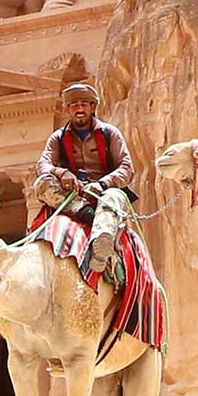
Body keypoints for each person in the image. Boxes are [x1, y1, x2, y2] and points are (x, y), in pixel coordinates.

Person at [35, 81, 135, 278]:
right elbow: (42, 165)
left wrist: (103, 184)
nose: (79, 109)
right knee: (42, 184)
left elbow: (127, 168)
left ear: (92, 107)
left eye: (83, 104)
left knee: (114, 197)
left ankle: (101, 244)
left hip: (104, 191)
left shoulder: (109, 133)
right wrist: (62, 173)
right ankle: (83, 212)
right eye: (73, 105)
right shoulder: (58, 138)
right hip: (73, 195)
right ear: (68, 109)